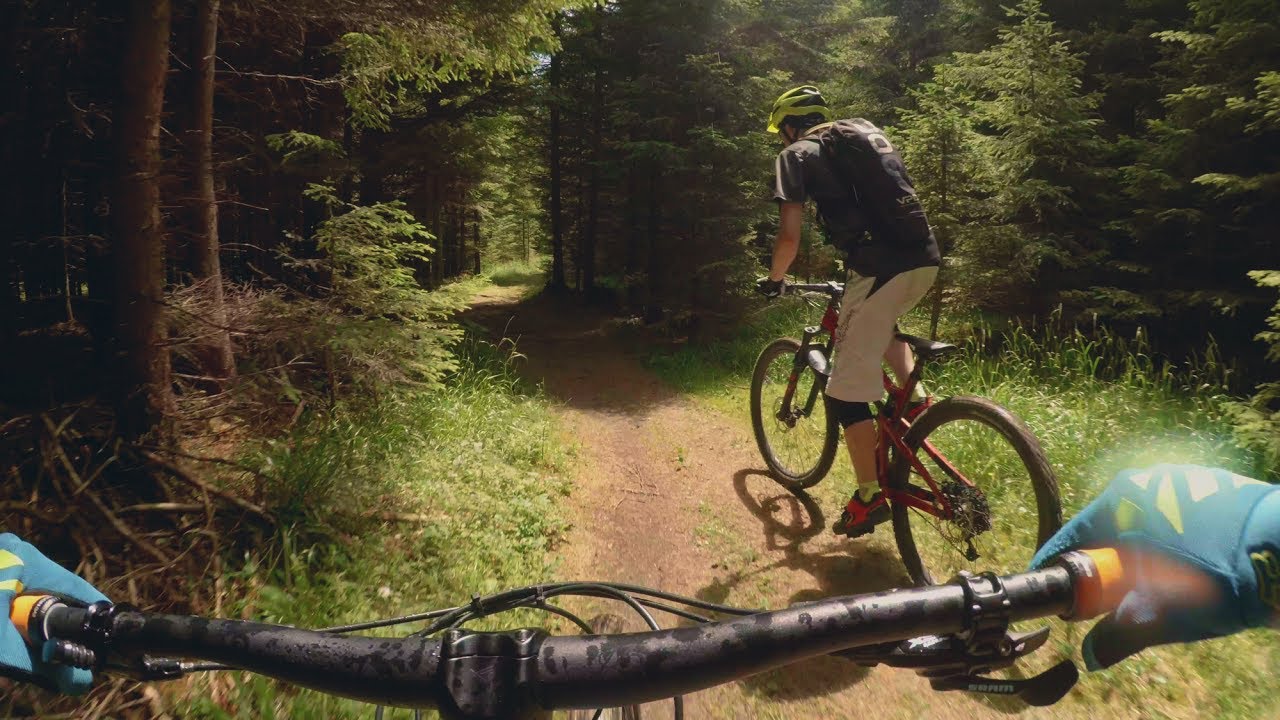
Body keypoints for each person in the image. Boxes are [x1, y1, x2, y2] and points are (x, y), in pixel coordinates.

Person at [0, 464, 1276, 695]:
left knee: (845, 379)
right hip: (913, 266)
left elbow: (791, 235)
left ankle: (874, 477)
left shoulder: (807, 161)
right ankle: (885, 467)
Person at [757, 85, 941, 536]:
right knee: (881, 325)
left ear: (789, 125)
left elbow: (789, 237)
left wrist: (775, 279)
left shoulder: (795, 154)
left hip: (879, 265)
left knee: (843, 393)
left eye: (782, 130)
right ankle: (914, 402)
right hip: (925, 258)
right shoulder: (859, 134)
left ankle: (868, 497)